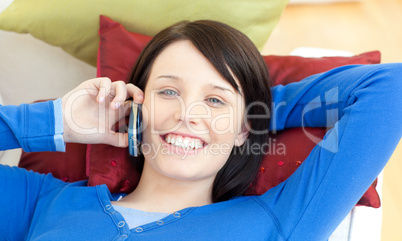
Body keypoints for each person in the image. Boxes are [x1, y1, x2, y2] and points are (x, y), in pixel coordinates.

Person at [0, 20, 401, 241]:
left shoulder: (279, 221)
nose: (187, 114)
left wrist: (247, 111)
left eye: (213, 99)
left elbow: (390, 88)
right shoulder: (45, 201)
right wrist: (54, 122)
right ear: (137, 108)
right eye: (169, 91)